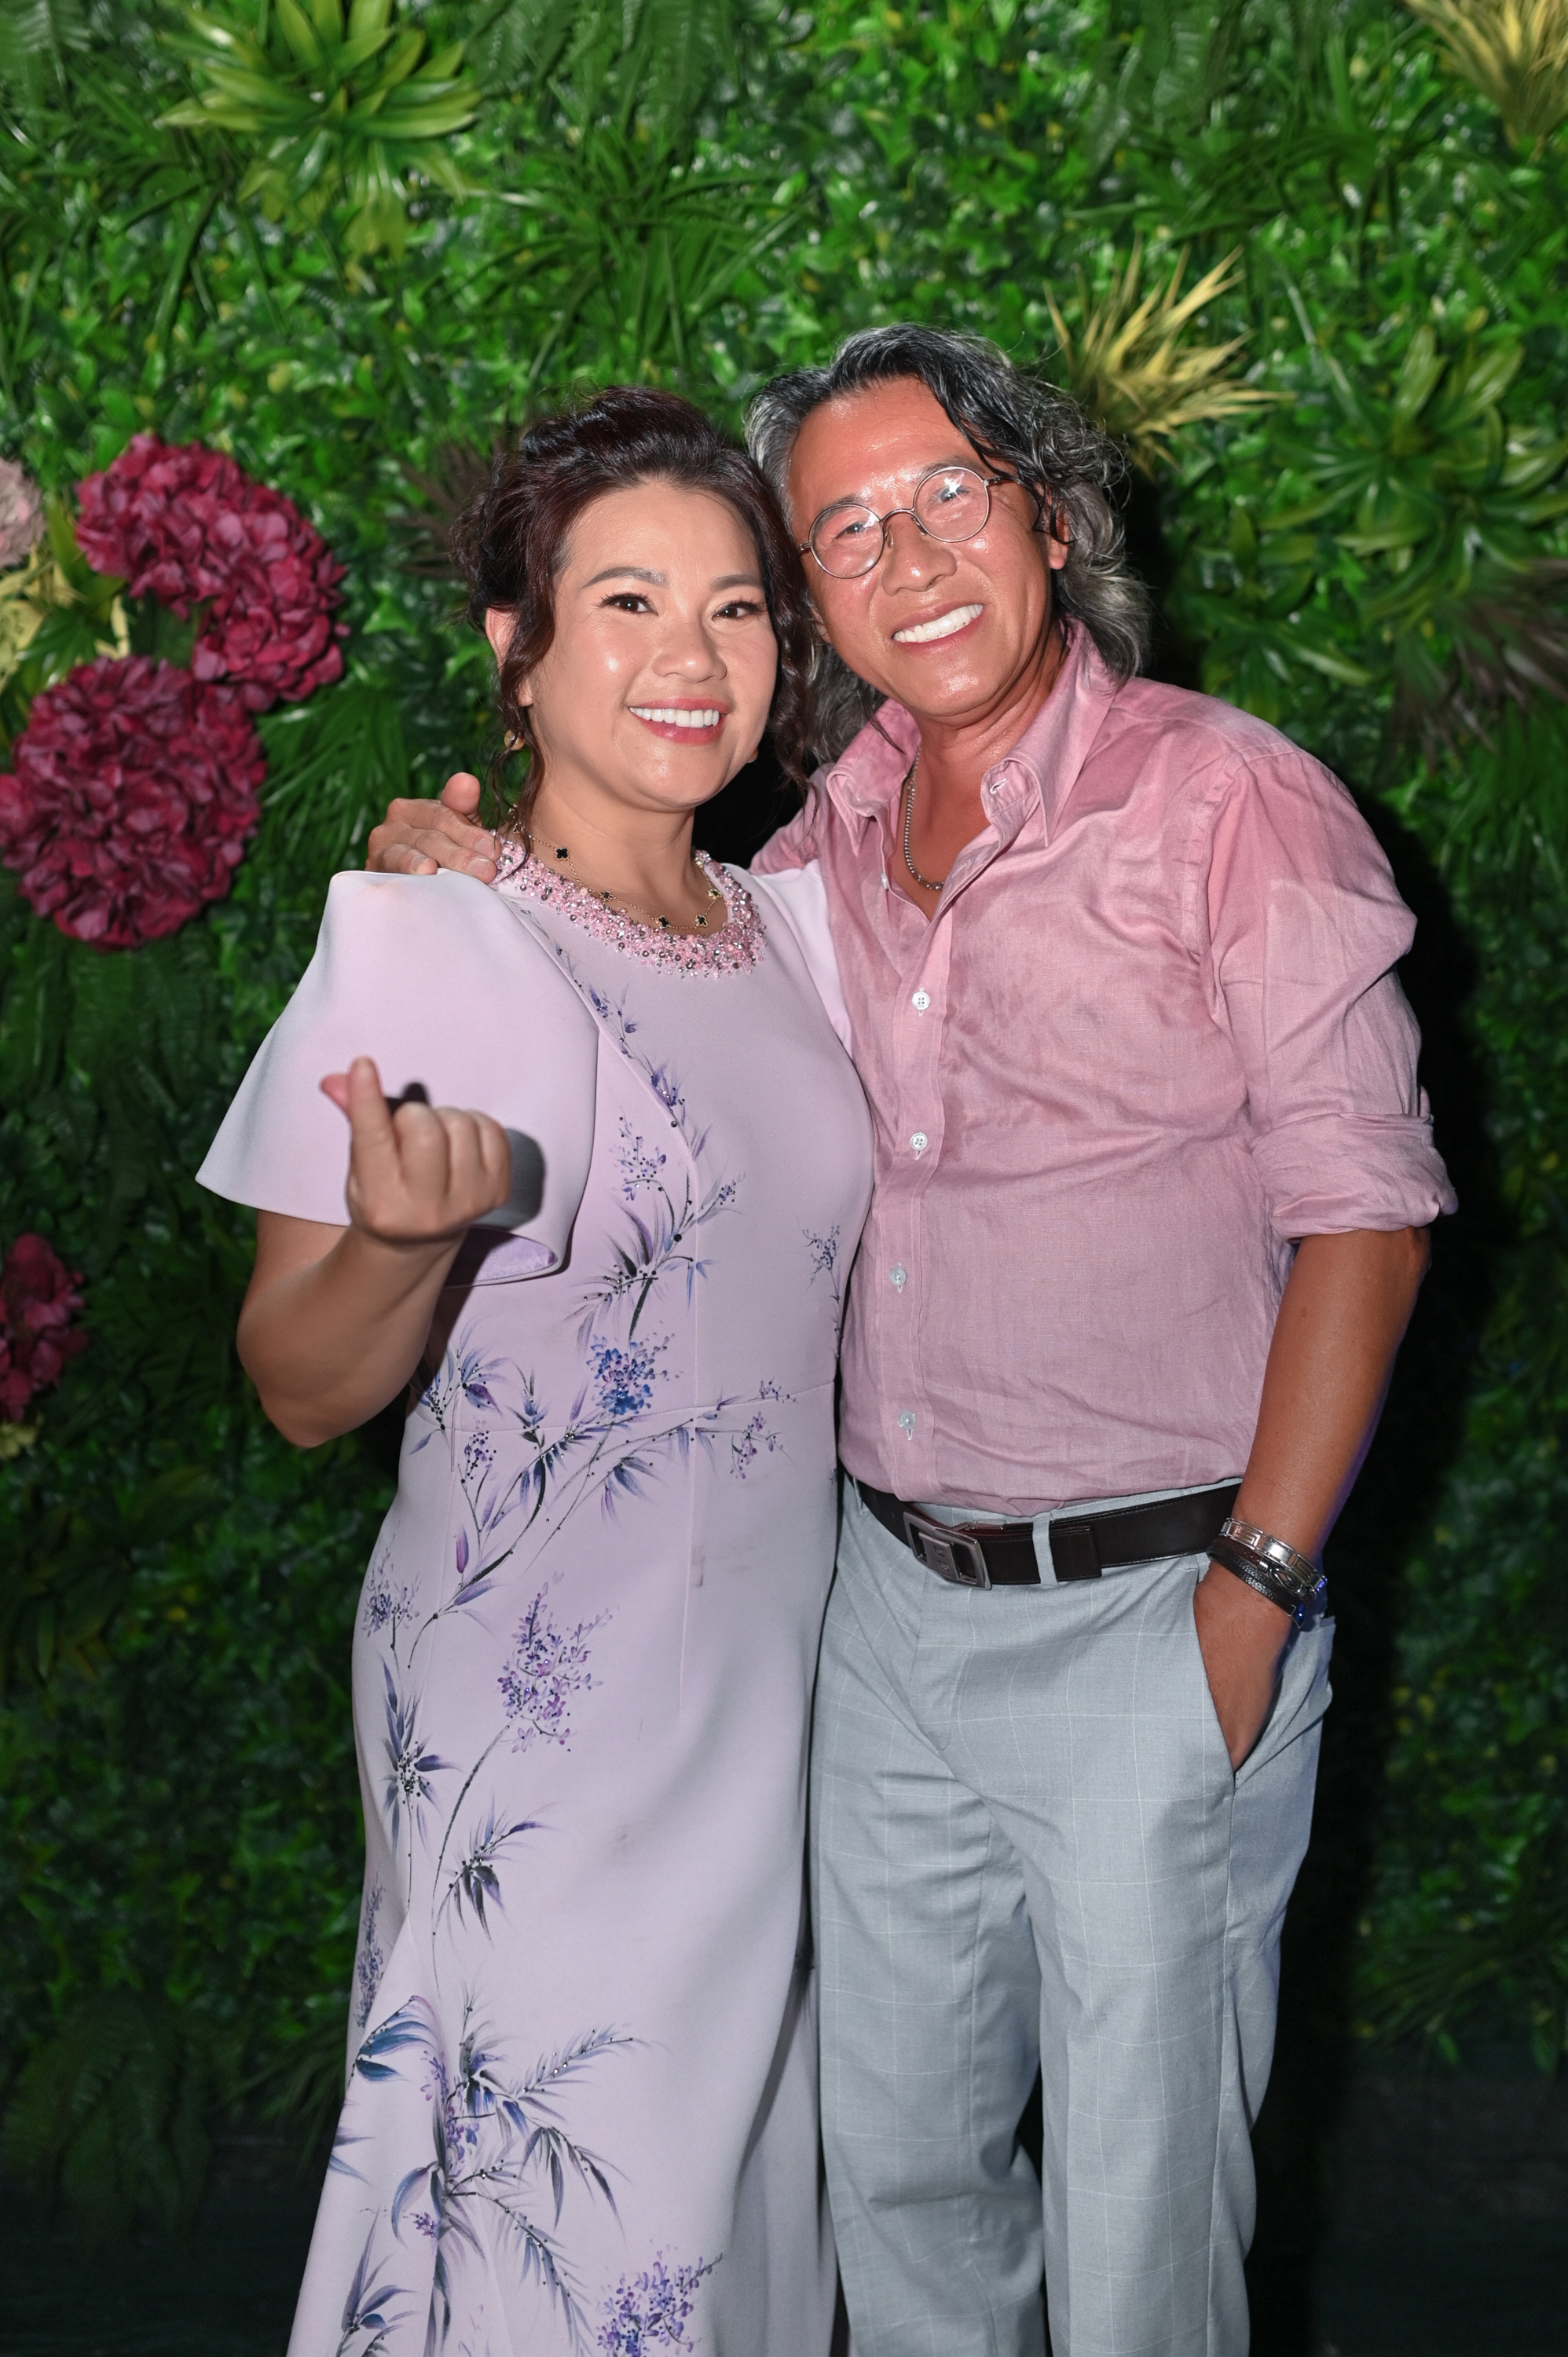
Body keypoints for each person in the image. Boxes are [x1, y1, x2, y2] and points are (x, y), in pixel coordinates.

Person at [368, 328, 1456, 2357]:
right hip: (884, 1629)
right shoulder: (817, 856)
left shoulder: (1230, 805)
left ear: (1045, 514)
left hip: (1159, 1607)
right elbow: (651, 964)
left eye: (950, 492)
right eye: (845, 529)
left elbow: (1367, 1218)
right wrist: (475, 876)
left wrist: (1252, 1592)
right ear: (812, 596)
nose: (910, 553)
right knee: (896, 2195)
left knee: (1139, 2243)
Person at [198, 387, 871, 2357]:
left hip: (779, 1708)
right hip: (543, 1718)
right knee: (576, 2238)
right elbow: (299, 1383)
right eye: (627, 602)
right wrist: (404, 1242)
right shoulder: (438, 941)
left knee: (733, 2230)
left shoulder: (799, 929)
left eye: (735, 610)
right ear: (517, 648)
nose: (690, 657)